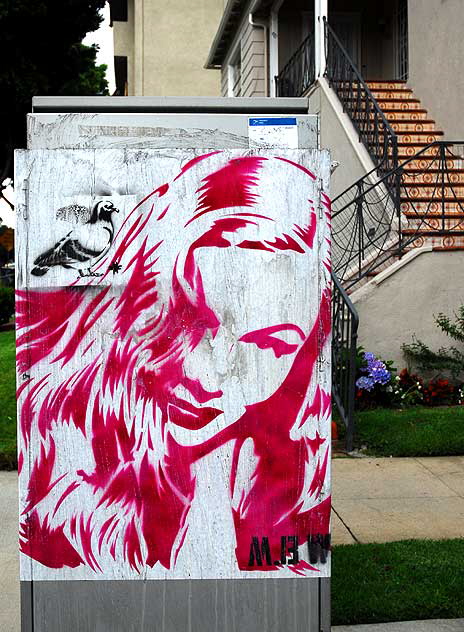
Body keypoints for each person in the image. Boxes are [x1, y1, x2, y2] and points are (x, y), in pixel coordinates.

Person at [17, 150, 332, 579]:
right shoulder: (65, 468)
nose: (215, 372)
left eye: (270, 343)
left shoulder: (283, 489)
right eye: (194, 318)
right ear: (139, 305)